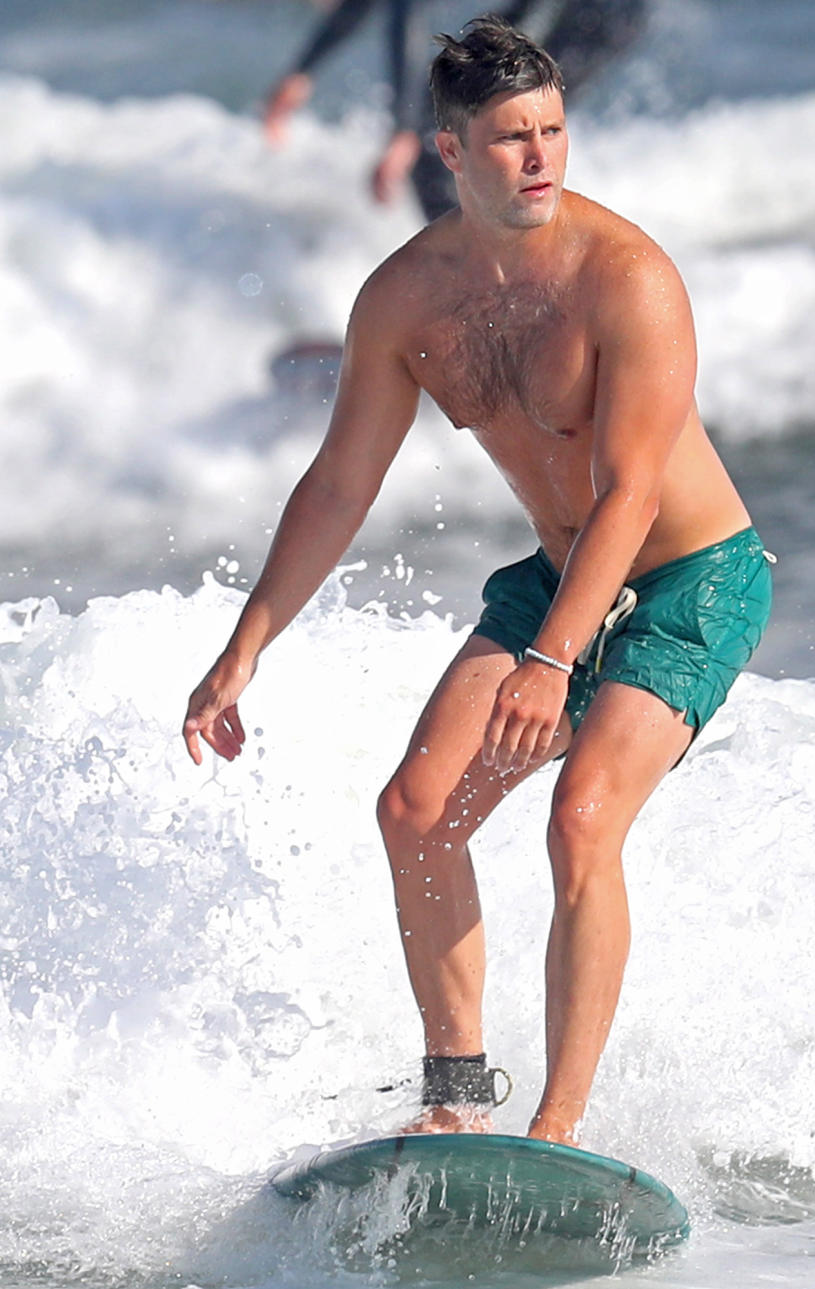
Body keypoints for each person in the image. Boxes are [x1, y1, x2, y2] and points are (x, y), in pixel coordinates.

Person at [185, 16, 772, 1146]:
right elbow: (337, 486)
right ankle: (456, 1097)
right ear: (448, 150)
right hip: (558, 575)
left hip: (691, 580)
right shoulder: (404, 300)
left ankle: (555, 1133)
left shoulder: (628, 278)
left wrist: (554, 660)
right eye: (511, 138)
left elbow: (633, 494)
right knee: (415, 810)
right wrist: (244, 645)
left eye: (553, 129)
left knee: (580, 816)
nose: (542, 156)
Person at [263, 0, 648, 220]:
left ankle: (502, 304)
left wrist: (404, 132)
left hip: (603, 14)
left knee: (449, 145)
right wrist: (302, 70)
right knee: (459, 138)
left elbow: (405, 15)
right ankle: (486, 295)